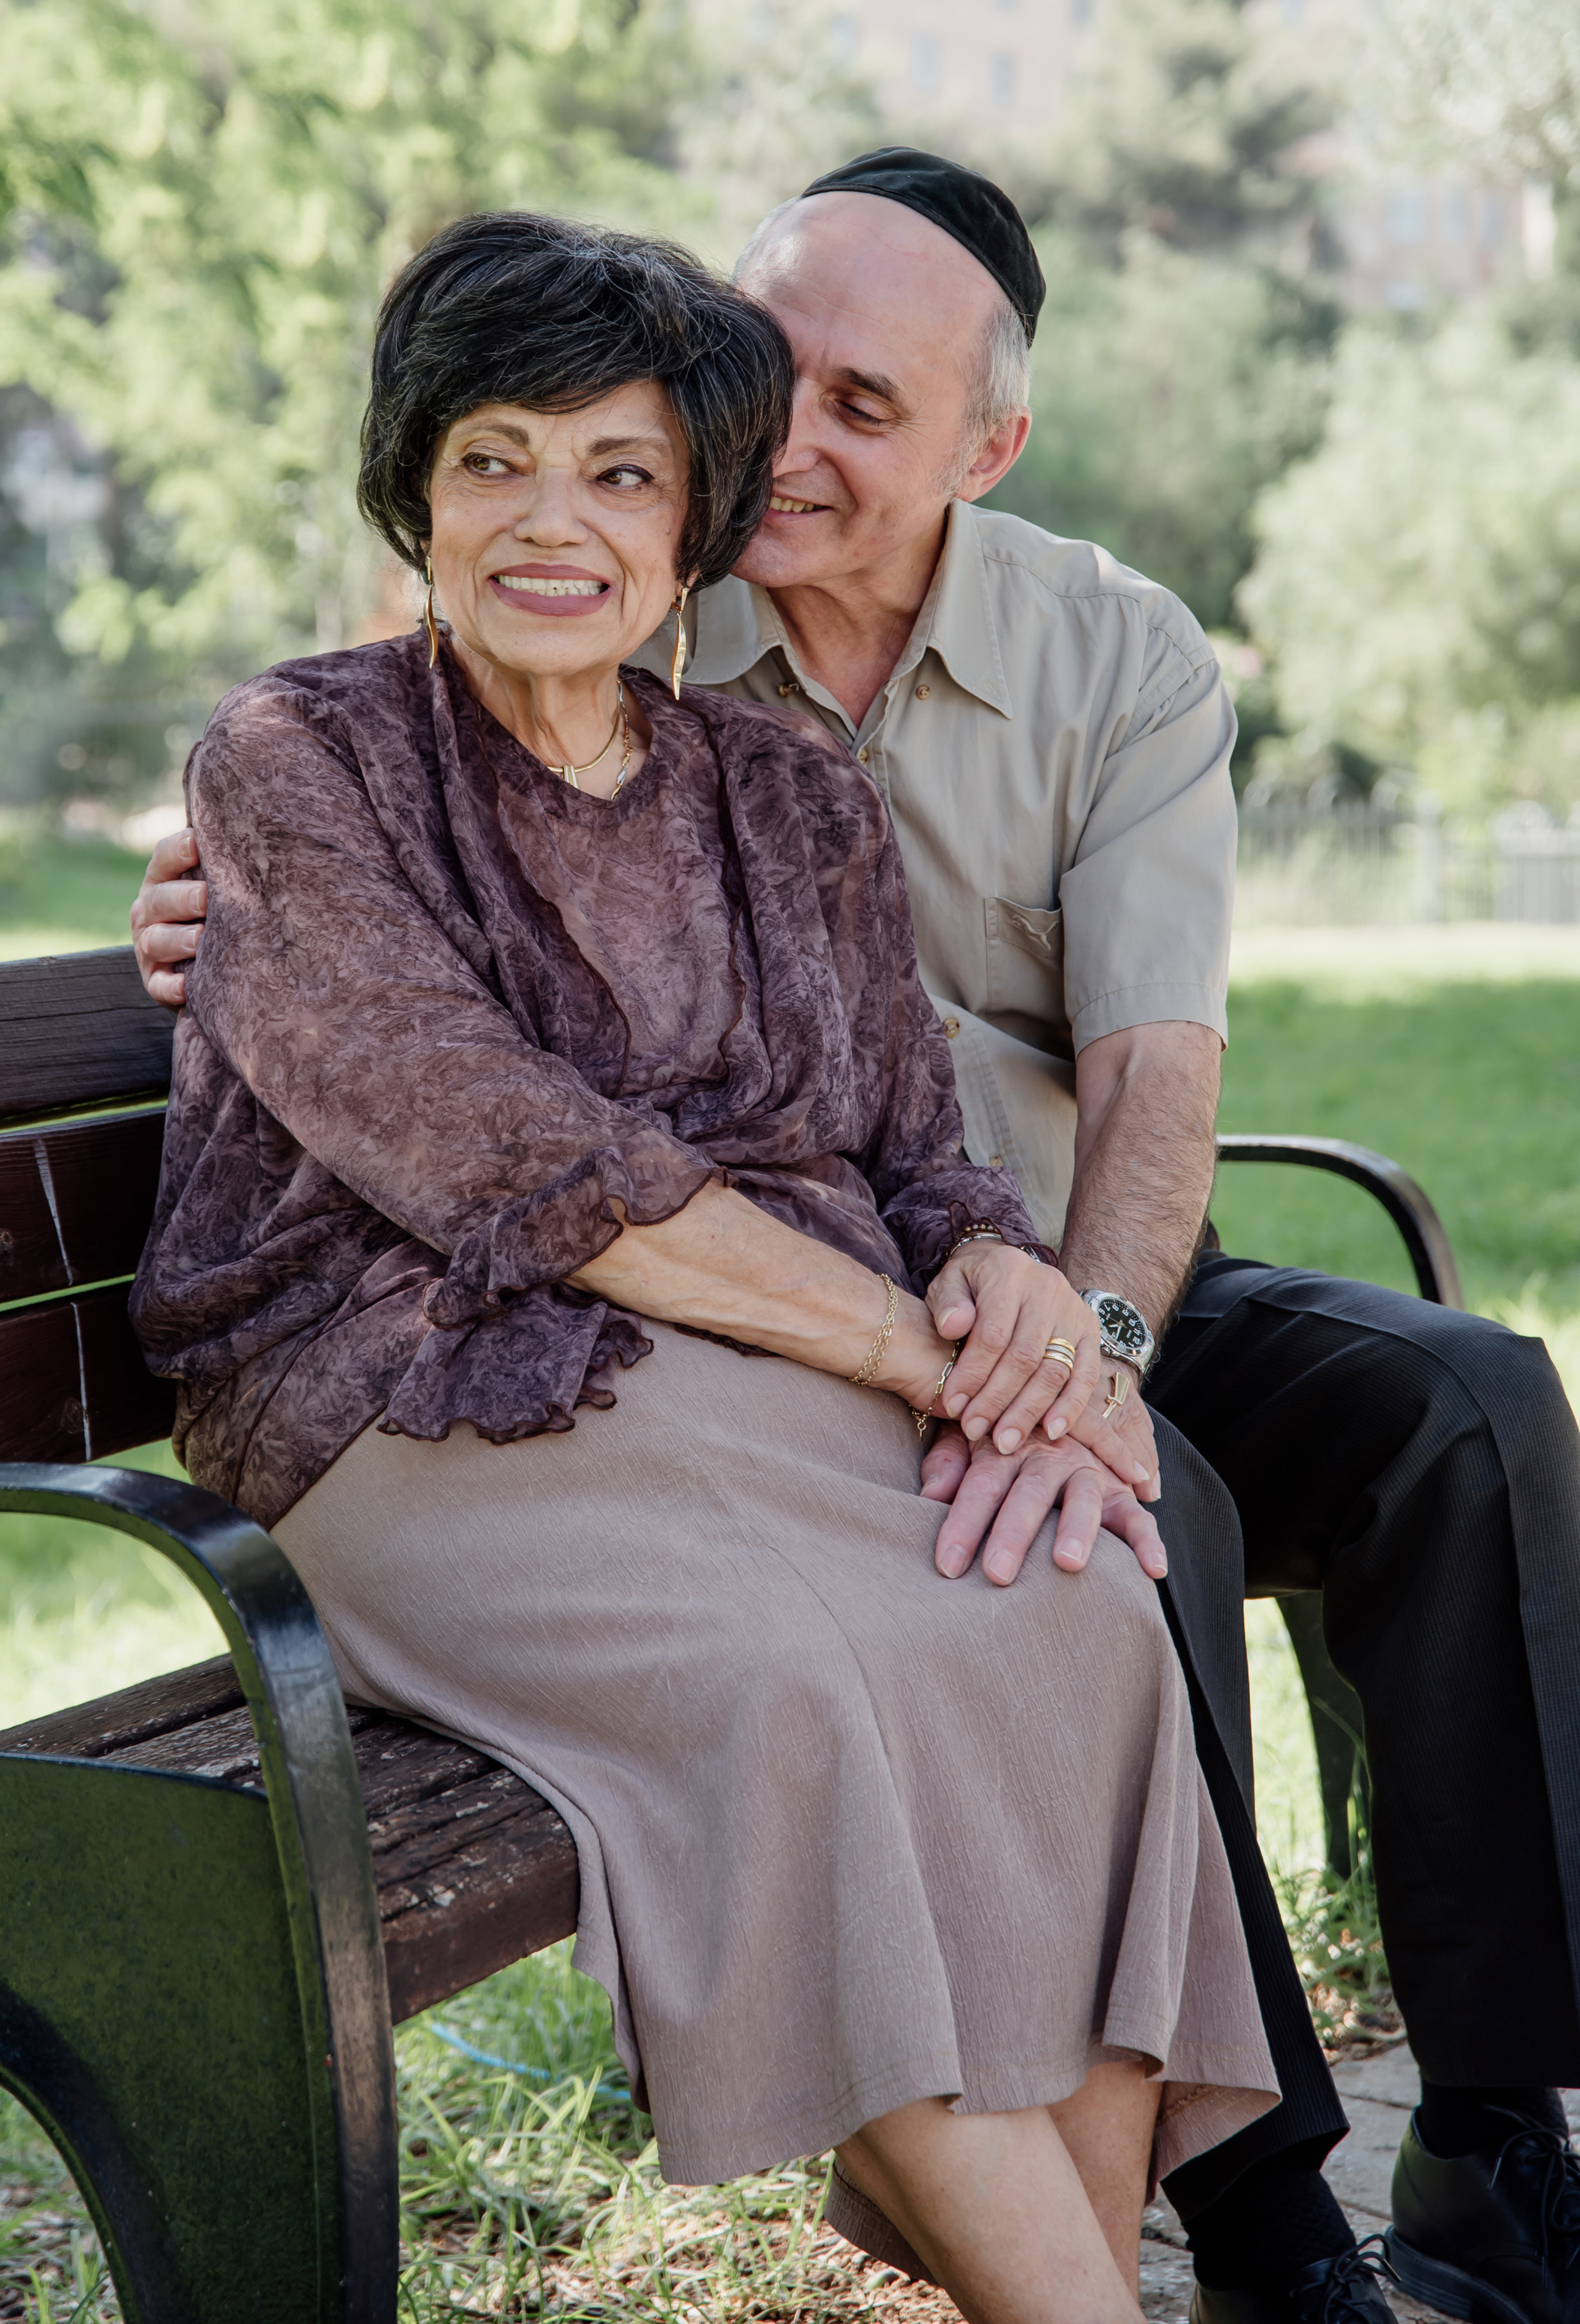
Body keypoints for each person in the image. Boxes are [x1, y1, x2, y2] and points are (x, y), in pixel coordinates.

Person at [134, 151, 1580, 2324]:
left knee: (1263, 1500)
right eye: (500, 460)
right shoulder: (447, 677)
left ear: (973, 449)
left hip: (934, 1304)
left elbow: (1062, 1091)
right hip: (525, 1362)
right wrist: (202, 893)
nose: (580, 509)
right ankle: (1225, 2240)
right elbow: (465, 1061)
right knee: (956, 1606)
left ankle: (1478, 2145)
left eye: (633, 467)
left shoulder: (1002, 693)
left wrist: (1044, 1303)